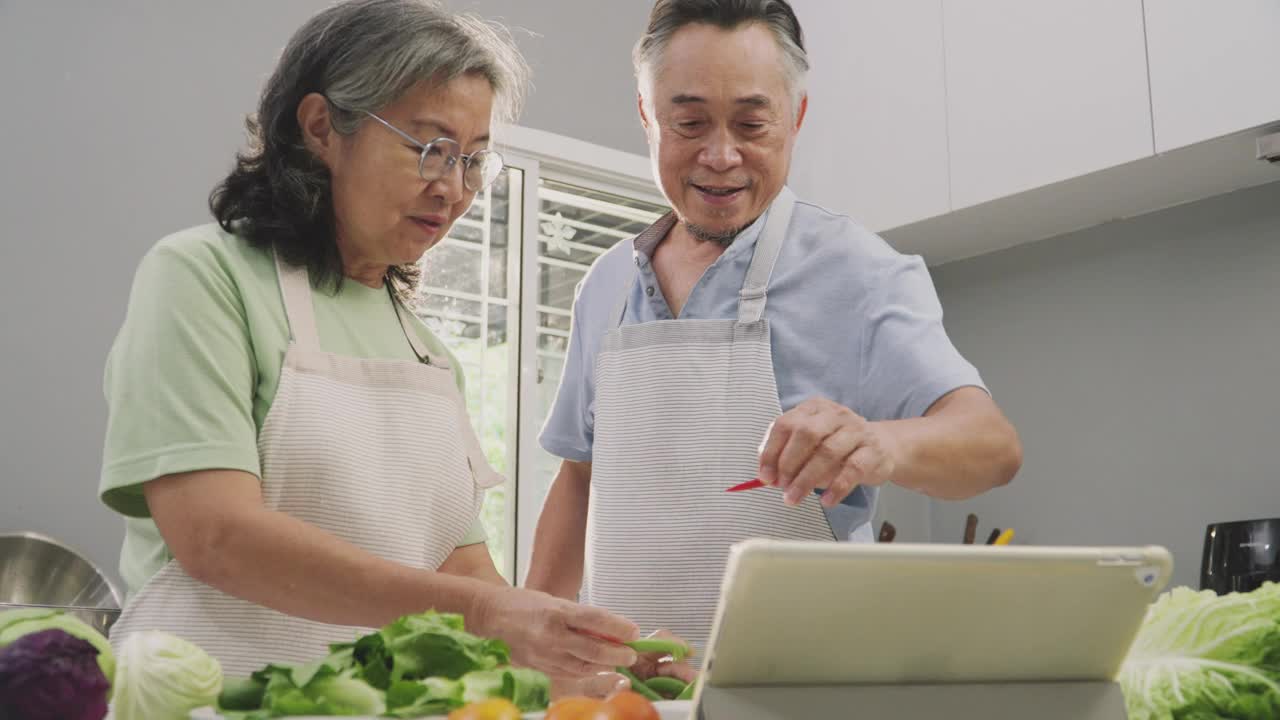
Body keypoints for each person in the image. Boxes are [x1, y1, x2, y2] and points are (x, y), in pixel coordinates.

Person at [98, 0, 639, 678]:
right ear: (322, 127)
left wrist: (581, 653)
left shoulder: (427, 354)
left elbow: (457, 562)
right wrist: (479, 613)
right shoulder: (202, 279)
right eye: (431, 148)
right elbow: (216, 535)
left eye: (474, 161)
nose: (454, 190)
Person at [527, 0, 1023, 675]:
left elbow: (991, 447)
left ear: (796, 116)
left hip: (802, 689)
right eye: (689, 122)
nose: (721, 156)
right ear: (647, 116)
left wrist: (881, 443)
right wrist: (527, 648)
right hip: (624, 696)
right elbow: (581, 480)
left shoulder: (860, 271)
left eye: (752, 124)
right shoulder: (606, 284)